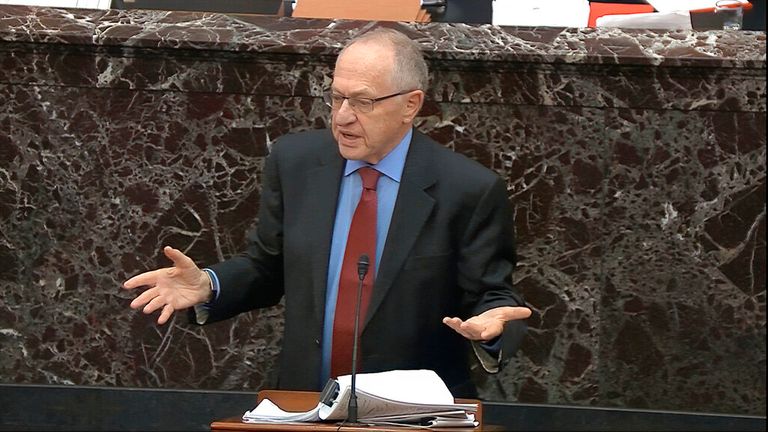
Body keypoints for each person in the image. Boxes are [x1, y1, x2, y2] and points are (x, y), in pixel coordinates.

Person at [123, 27, 531, 398]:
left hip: (412, 413)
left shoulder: (468, 189)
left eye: (363, 102)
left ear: (411, 105)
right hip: (304, 402)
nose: (342, 117)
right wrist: (210, 285)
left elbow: (492, 296)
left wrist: (491, 330)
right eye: (336, 97)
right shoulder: (296, 162)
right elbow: (268, 267)